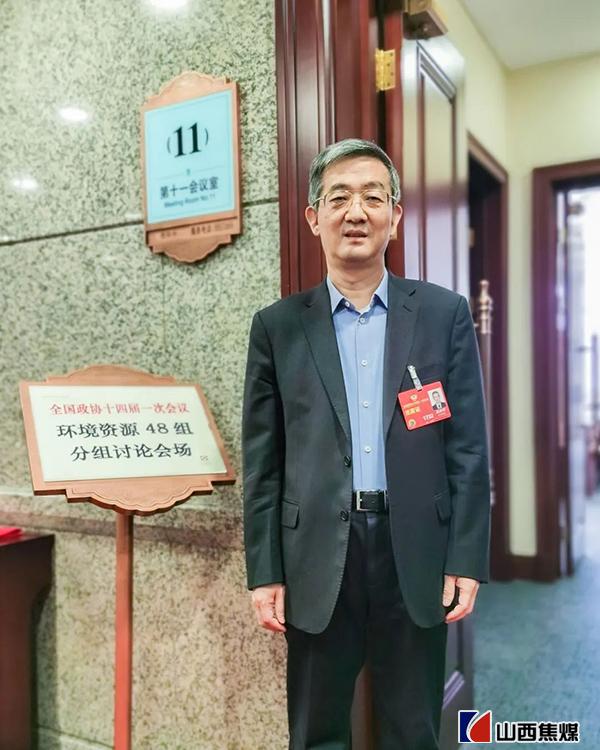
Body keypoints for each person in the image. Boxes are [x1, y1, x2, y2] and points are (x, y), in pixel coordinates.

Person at [242, 138, 490, 750]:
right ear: (313, 217)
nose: (356, 212)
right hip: (316, 553)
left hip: (416, 548)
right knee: (316, 730)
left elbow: (467, 449)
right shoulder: (277, 327)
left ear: (395, 217)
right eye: (339, 198)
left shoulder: (443, 314)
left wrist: (465, 556)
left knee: (413, 728)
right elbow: (263, 463)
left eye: (373, 198)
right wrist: (265, 570)